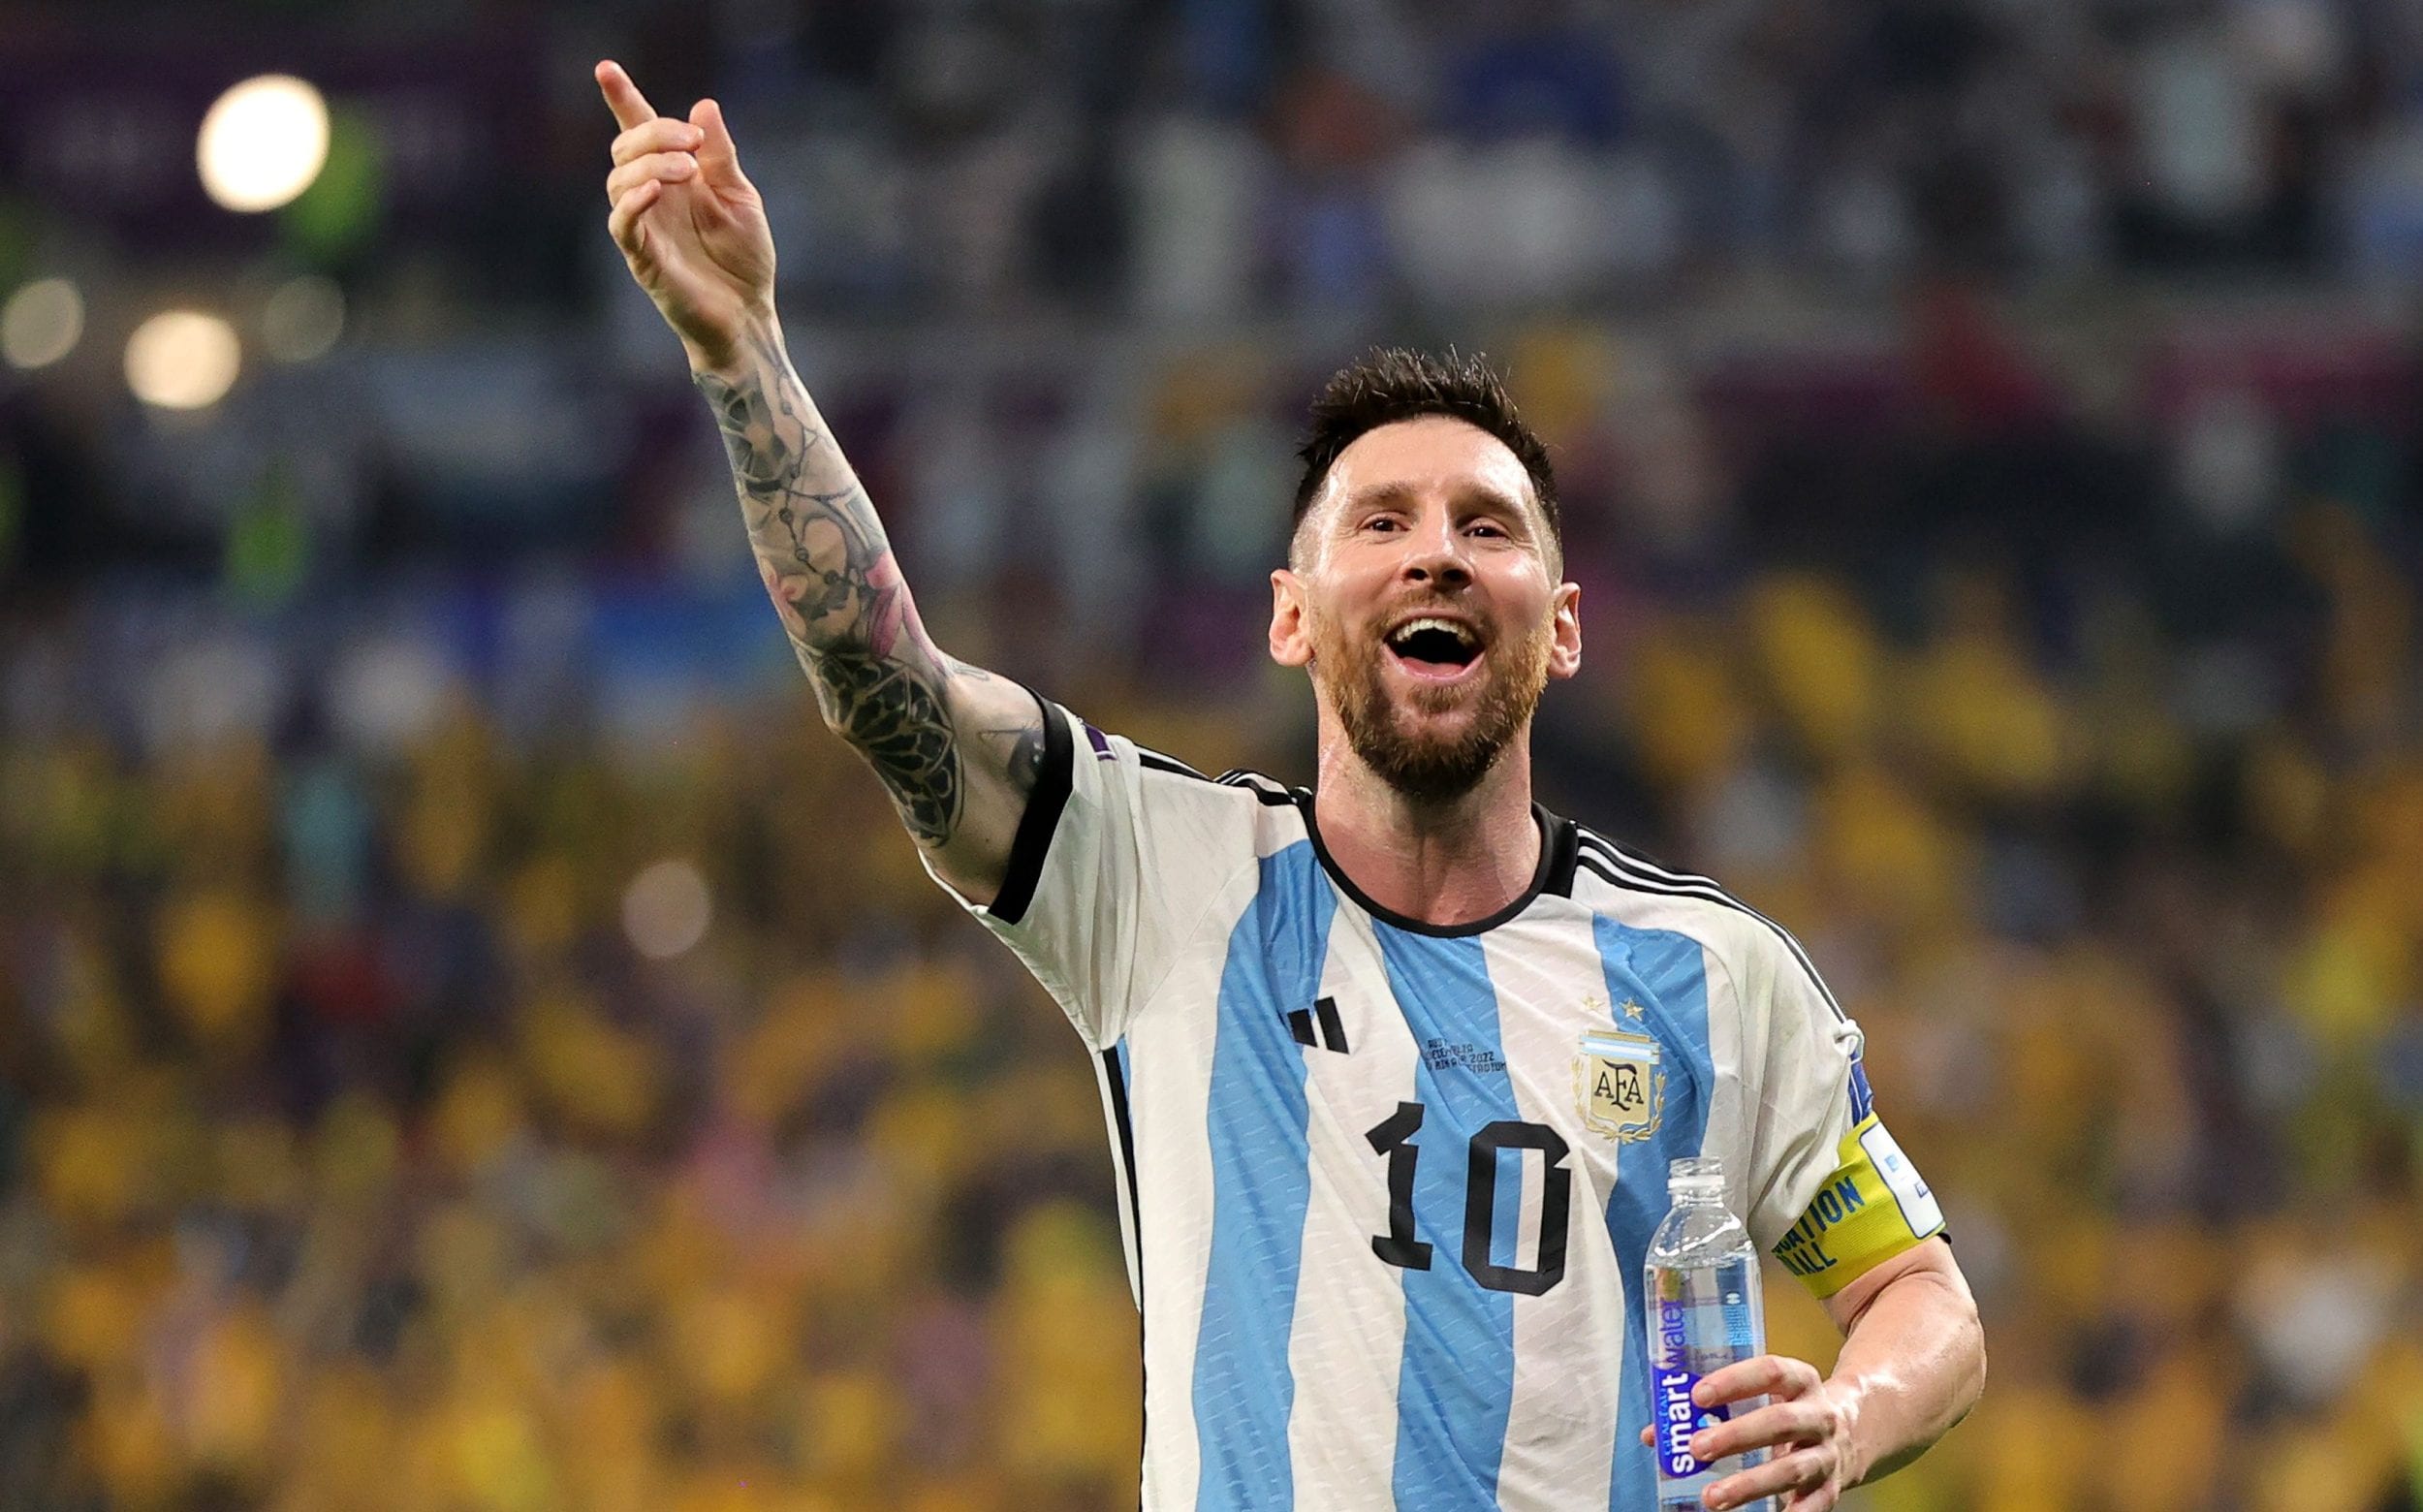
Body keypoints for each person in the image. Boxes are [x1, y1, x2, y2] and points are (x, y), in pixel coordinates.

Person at [594, 60, 1985, 1512]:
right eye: (1380, 521)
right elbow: (884, 681)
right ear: (1292, 617)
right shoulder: (1157, 875)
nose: (1437, 553)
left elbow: (1921, 1295)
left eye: (1489, 527)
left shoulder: (1713, 975)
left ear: (1562, 624)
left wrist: (1850, 1413)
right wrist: (743, 351)